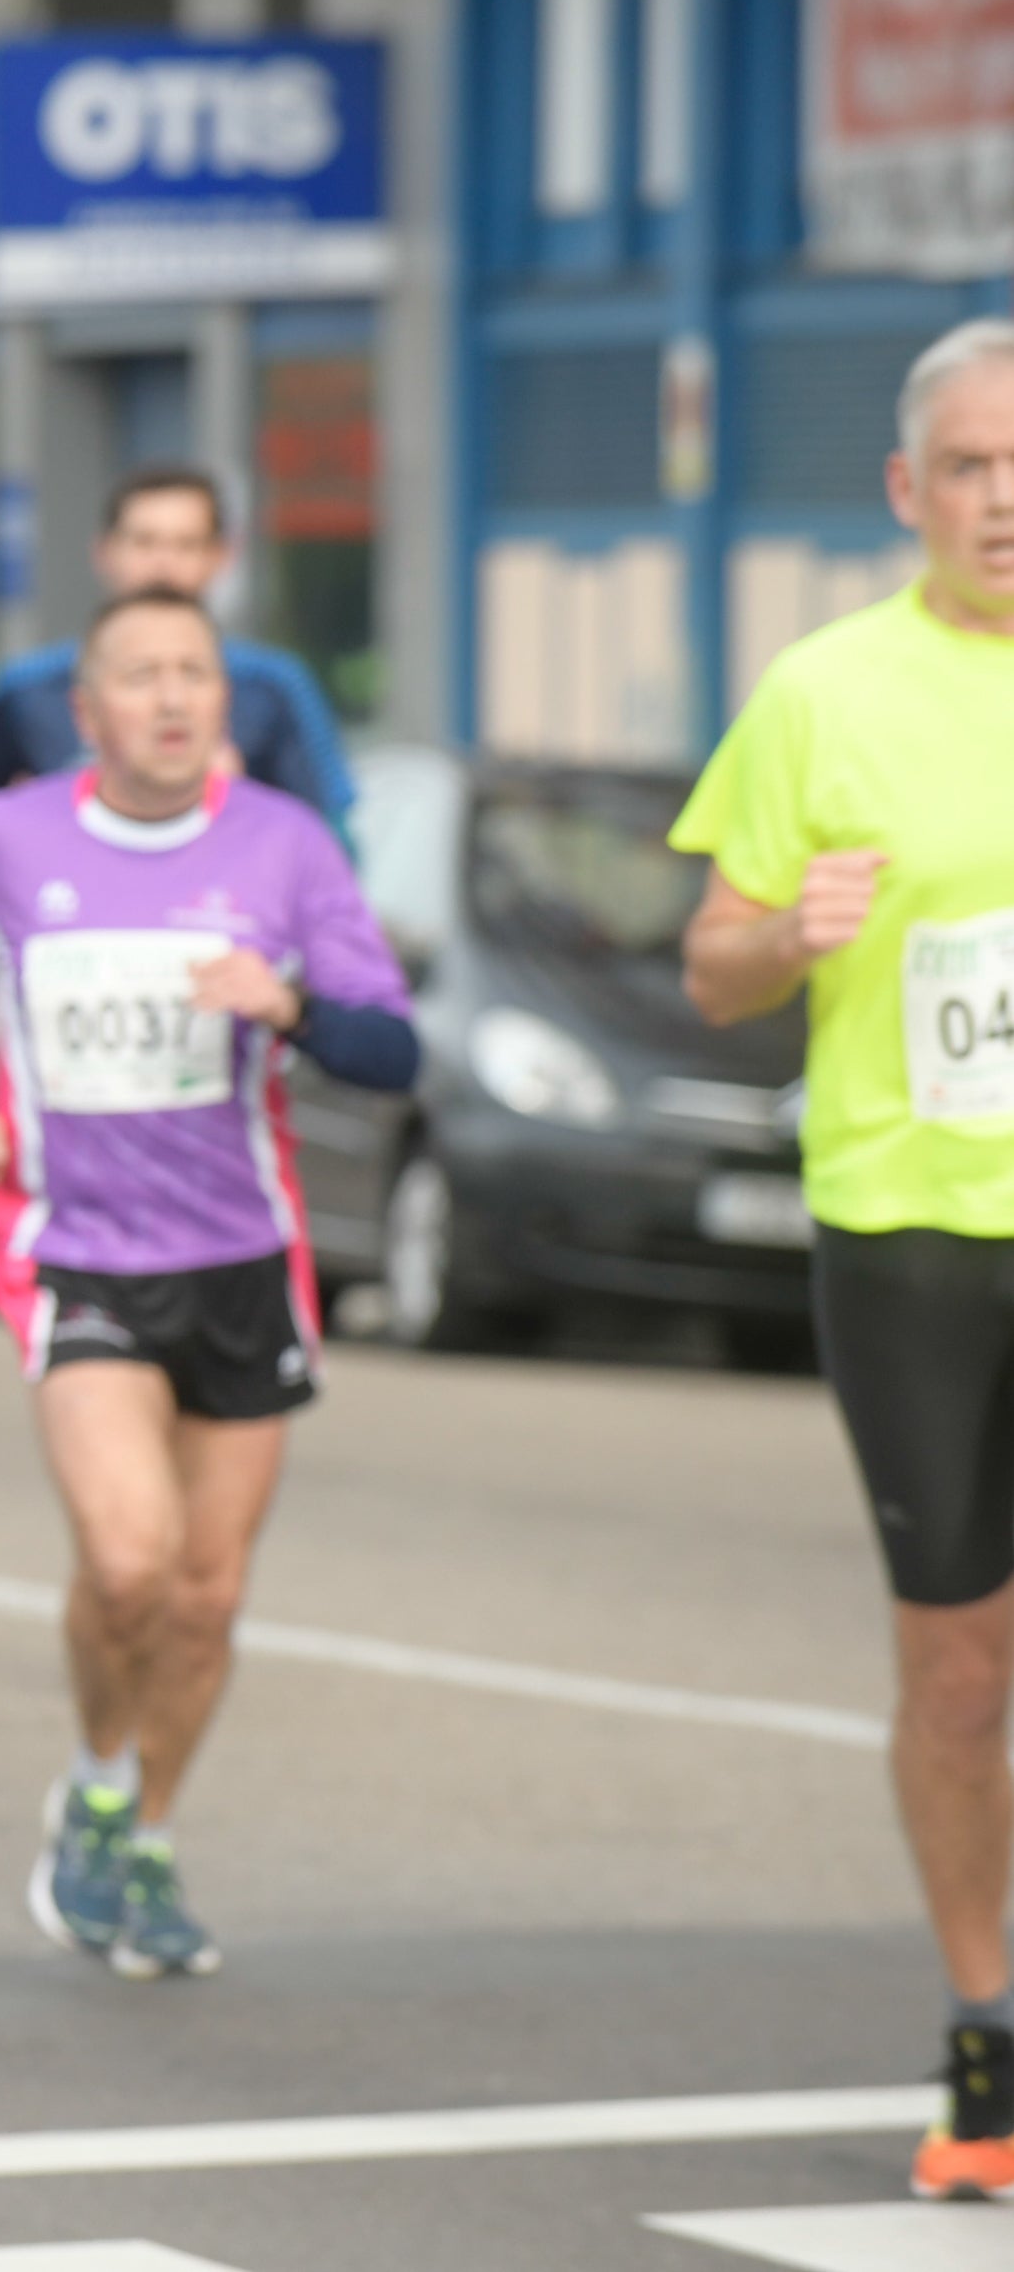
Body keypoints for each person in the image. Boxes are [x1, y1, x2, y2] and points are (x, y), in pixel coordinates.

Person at [0, 583, 417, 1983]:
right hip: (78, 1254)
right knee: (127, 1558)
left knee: (203, 1594)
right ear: (89, 710)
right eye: (142, 674)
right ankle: (93, 1774)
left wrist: (291, 1005)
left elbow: (394, 1050)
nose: (175, 697)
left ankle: (145, 1826)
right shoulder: (13, 839)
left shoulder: (283, 848)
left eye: (195, 671)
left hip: (246, 1258)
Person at [671, 316, 1014, 2202]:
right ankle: (987, 2023)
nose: (1003, 495)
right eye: (969, 464)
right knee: (961, 1664)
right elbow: (711, 960)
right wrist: (787, 932)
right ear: (910, 492)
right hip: (914, 1230)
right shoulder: (825, 690)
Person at [0, 466, 355, 836]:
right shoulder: (28, 688)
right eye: (144, 542)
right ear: (104, 552)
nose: (163, 563)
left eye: (186, 544)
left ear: (221, 557)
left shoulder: (274, 687)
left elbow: (332, 835)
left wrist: (239, 807)